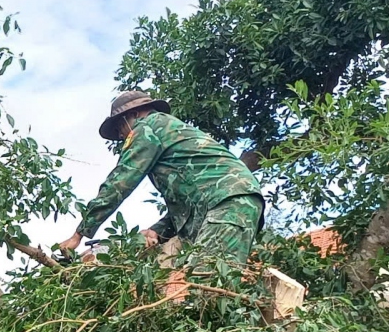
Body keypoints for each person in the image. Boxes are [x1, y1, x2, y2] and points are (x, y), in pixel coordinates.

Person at [58, 90, 264, 266]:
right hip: (232, 203)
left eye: (120, 129)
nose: (121, 136)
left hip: (226, 205)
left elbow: (119, 182)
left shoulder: (147, 127)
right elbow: (189, 206)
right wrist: (156, 231)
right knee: (206, 281)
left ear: (134, 114)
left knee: (206, 285)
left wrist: (80, 233)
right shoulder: (170, 132)